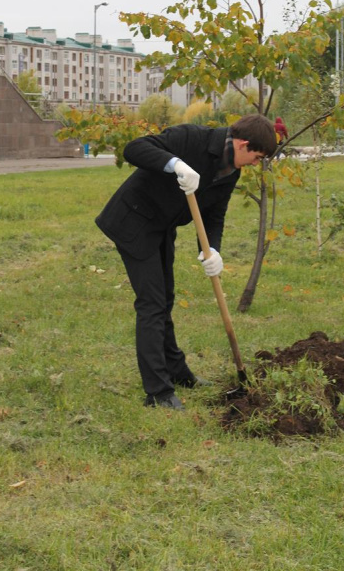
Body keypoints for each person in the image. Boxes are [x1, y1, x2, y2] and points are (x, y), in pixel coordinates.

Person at [95, 114, 277, 410]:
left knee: (165, 299)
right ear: (243, 144)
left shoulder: (230, 172)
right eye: (256, 157)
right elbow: (134, 148)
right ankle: (158, 392)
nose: (255, 164)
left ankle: (177, 373)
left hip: (161, 226)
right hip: (133, 221)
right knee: (152, 304)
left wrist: (213, 250)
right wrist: (175, 164)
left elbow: (214, 215)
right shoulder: (192, 138)